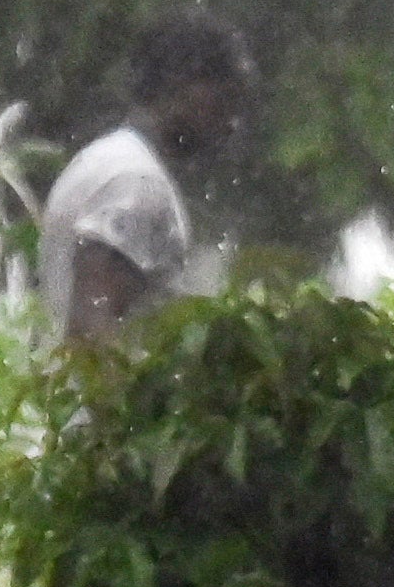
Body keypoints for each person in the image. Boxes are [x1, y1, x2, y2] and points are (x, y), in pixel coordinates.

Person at [43, 19, 265, 350]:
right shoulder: (136, 183)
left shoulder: (109, 158)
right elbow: (92, 330)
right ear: (180, 84)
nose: (231, 121)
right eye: (224, 99)